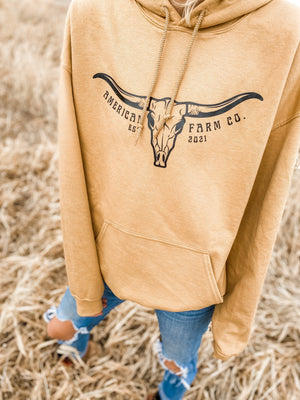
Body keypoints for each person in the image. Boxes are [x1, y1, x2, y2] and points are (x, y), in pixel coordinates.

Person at [44, 0, 300, 399]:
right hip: (109, 250)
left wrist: (235, 312)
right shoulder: (93, 11)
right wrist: (80, 250)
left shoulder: (286, 30)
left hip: (191, 275)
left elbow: (270, 181)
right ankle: (75, 340)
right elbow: (75, 152)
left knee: (176, 360)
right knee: (59, 325)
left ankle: (172, 387)